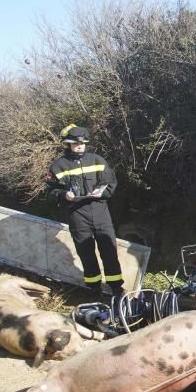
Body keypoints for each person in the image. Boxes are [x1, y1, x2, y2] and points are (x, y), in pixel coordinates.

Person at [46, 124, 124, 297]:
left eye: (82, 143)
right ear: (67, 145)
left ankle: (116, 288)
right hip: (77, 213)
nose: (80, 146)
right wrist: (64, 195)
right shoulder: (58, 166)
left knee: (109, 249)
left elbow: (111, 183)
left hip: (100, 211)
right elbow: (50, 192)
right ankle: (94, 289)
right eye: (75, 144)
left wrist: (102, 192)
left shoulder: (97, 160)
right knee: (86, 251)